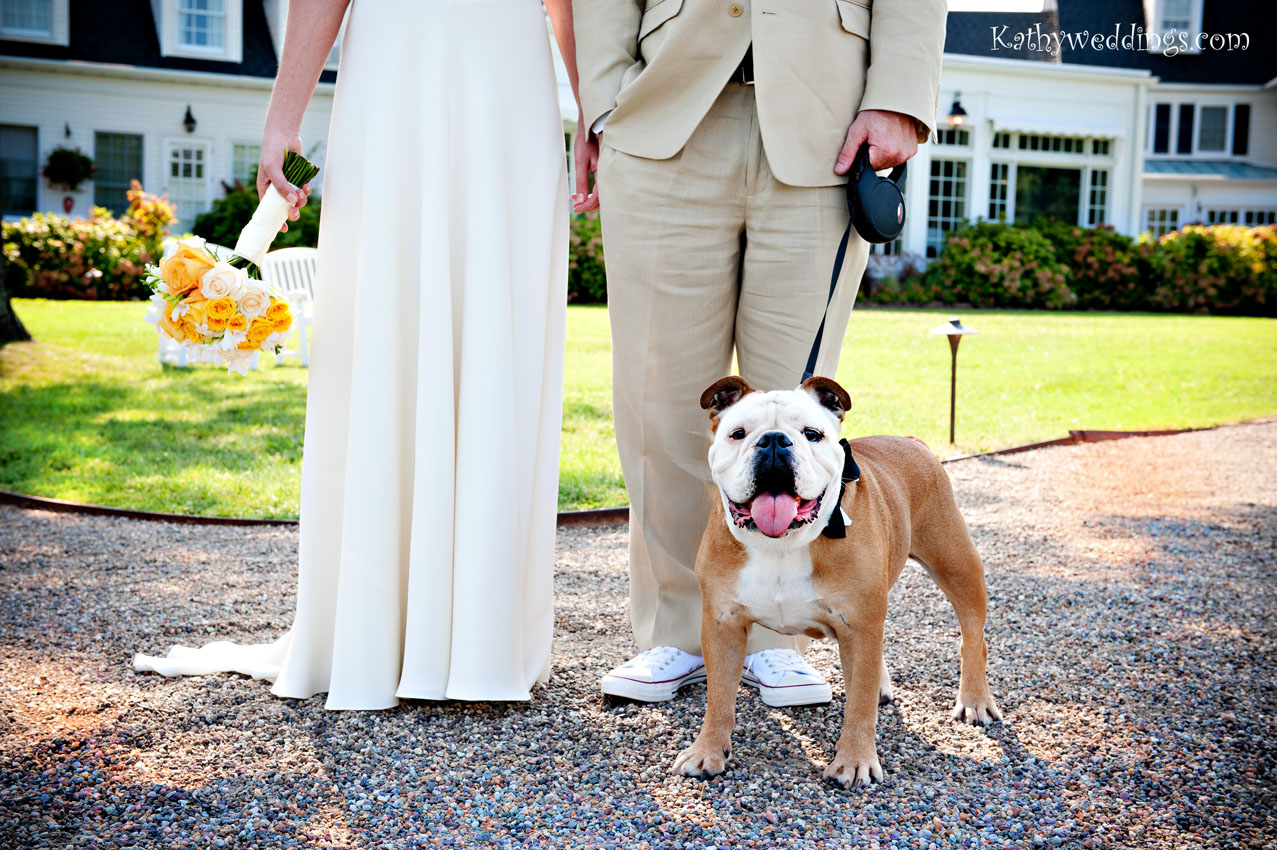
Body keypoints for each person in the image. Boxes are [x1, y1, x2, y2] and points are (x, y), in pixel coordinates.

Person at [135, 0, 580, 708]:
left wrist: (588, 109)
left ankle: (482, 635)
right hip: (391, 70)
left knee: (500, 318)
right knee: (386, 317)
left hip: (511, 85)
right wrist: (282, 119)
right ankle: (378, 628)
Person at [573, 0, 947, 704]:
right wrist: (604, 102)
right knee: (660, 402)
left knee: (795, 416)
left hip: (828, 124)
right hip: (660, 115)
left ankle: (779, 637)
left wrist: (899, 95)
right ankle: (677, 630)